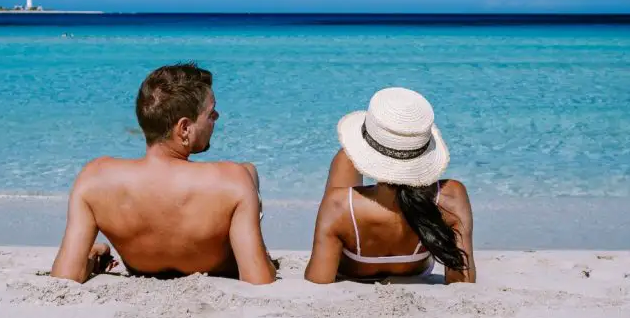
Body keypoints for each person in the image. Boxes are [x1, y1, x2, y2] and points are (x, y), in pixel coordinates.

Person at [50, 62, 277, 285]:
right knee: (249, 172)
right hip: (213, 265)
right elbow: (258, 279)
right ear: (184, 128)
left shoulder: (94, 179)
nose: (216, 117)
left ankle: (94, 254)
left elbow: (65, 277)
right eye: (210, 113)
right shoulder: (233, 181)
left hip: (142, 264)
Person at [304, 87, 476, 284]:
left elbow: (317, 280)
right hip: (414, 268)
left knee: (345, 158)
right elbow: (462, 282)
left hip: (353, 256)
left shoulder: (338, 205)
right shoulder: (451, 197)